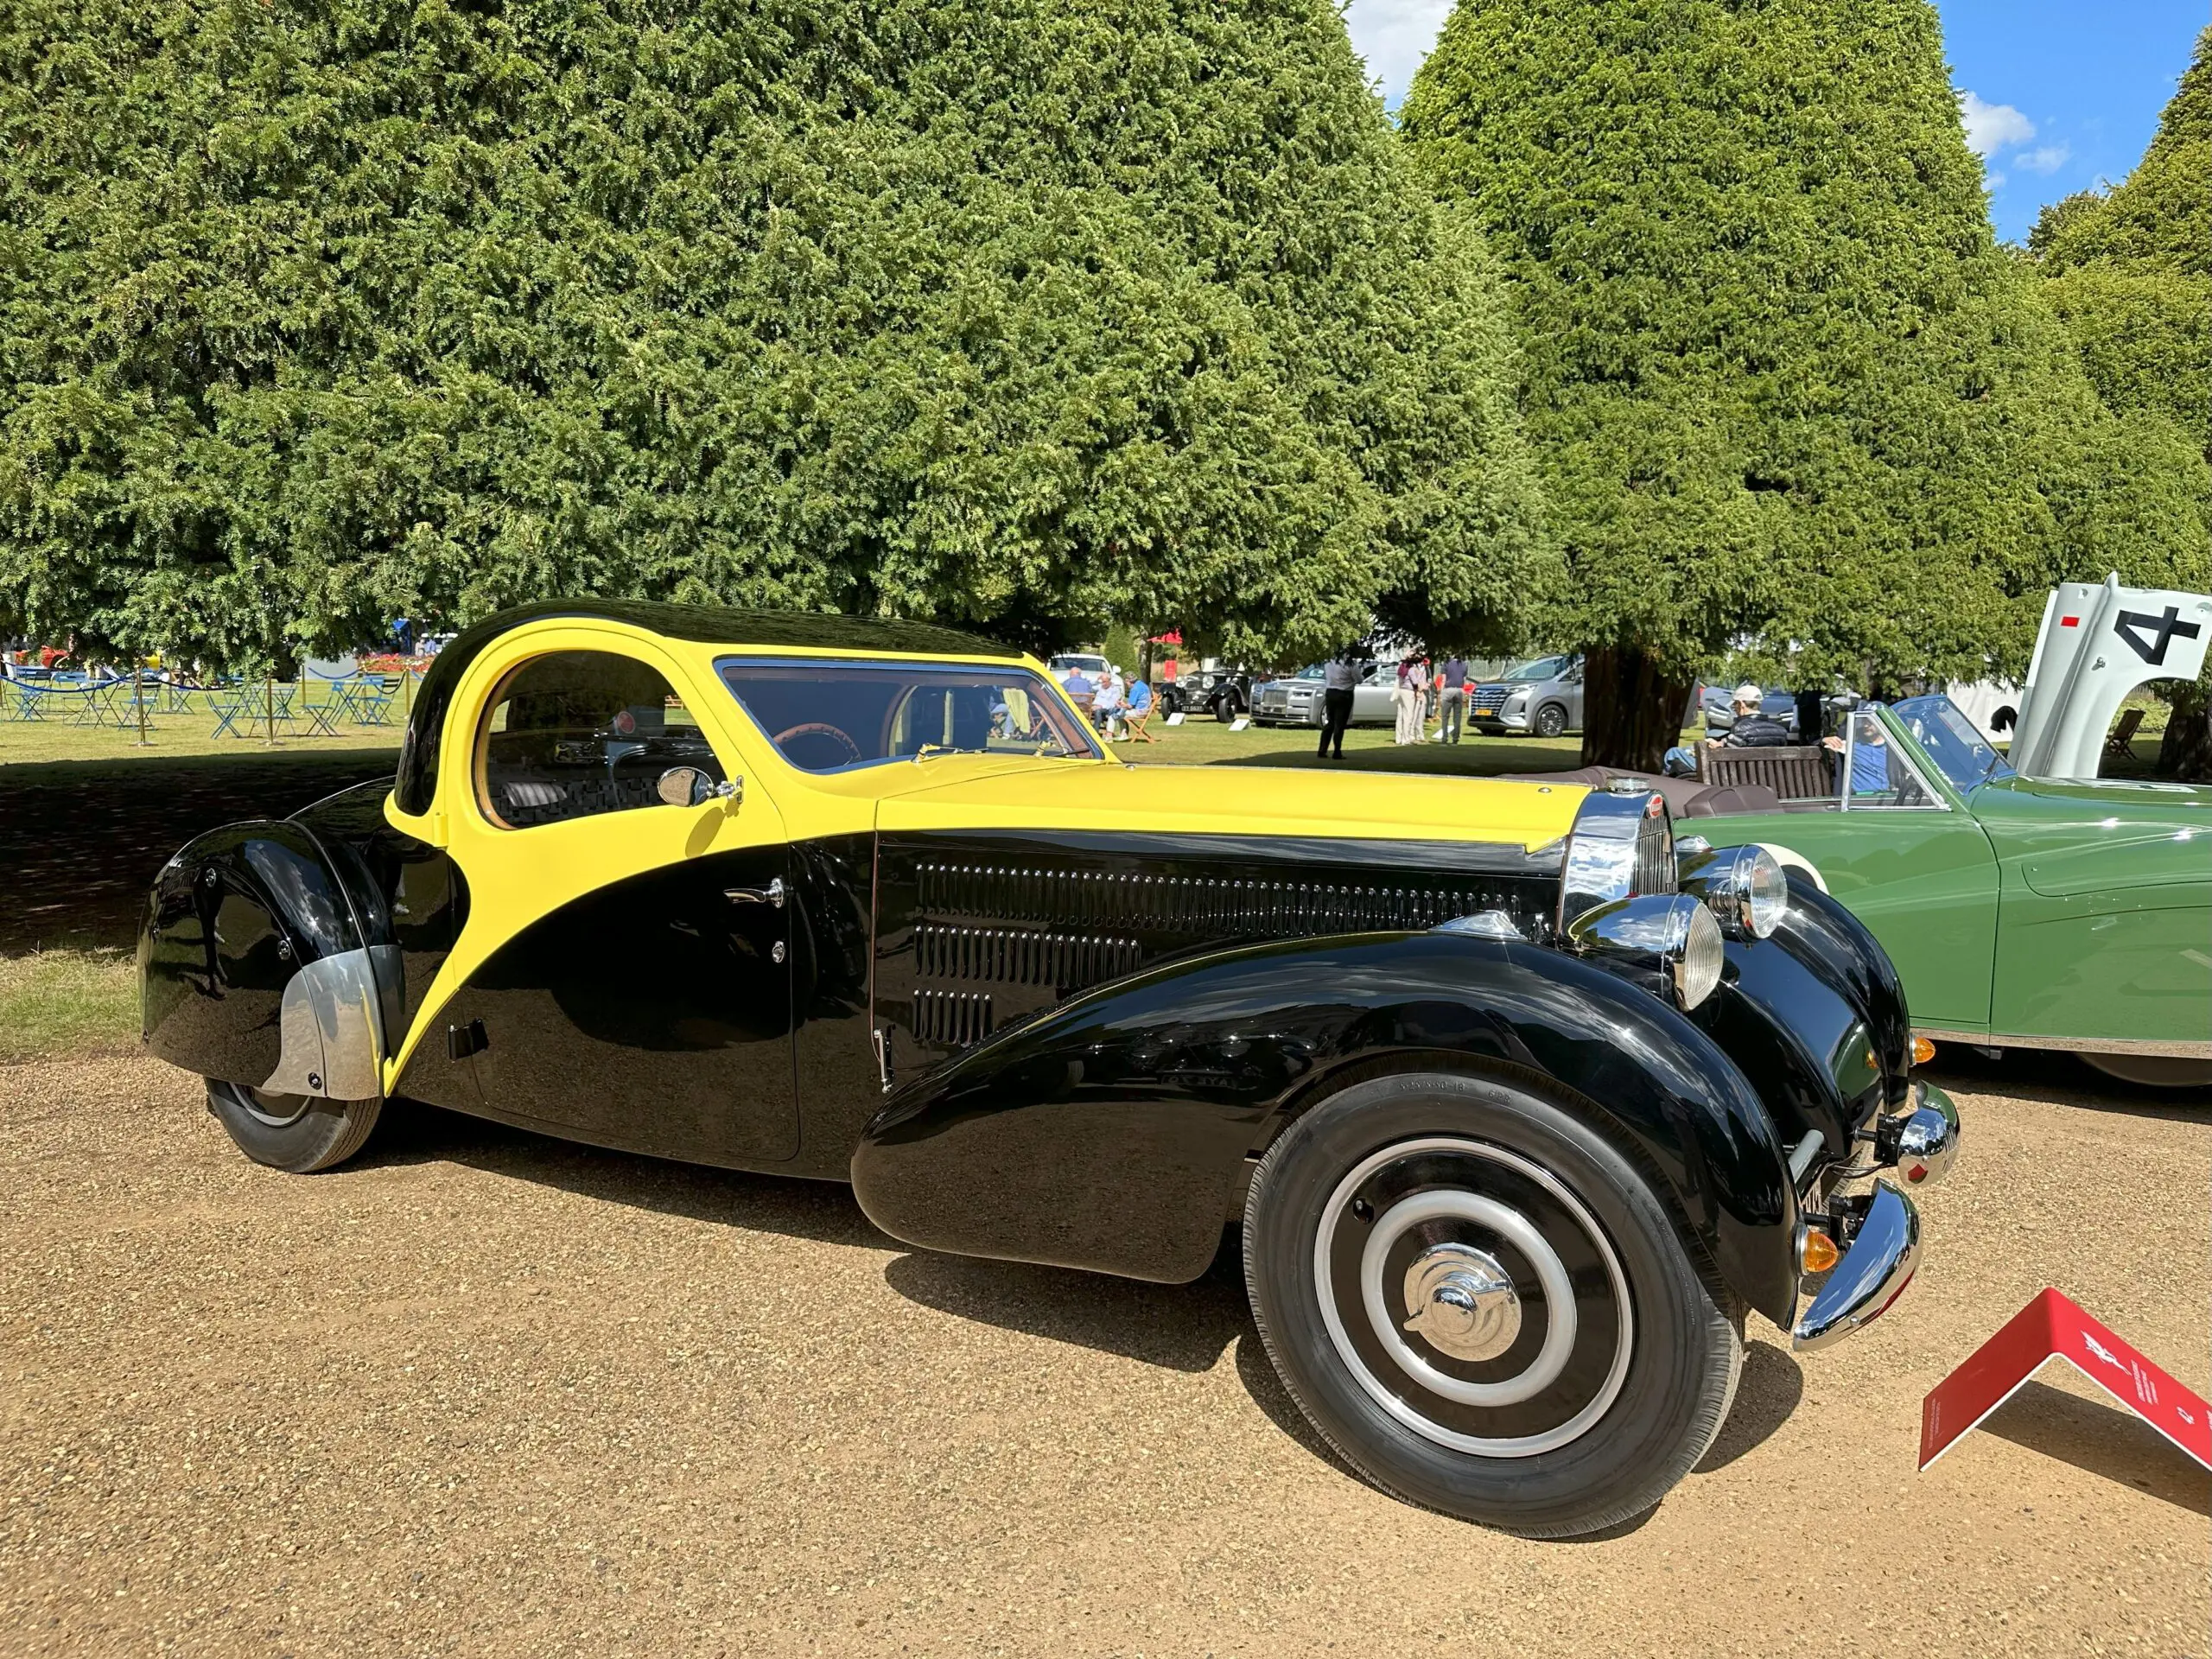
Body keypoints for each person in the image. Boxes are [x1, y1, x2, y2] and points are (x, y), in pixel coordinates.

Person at [1665, 683, 1843, 777]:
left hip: (1730, 777)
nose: (1734, 708)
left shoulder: (1741, 730)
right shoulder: (1780, 732)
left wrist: (1713, 745)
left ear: (1741, 705)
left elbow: (1722, 757)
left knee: (1674, 753)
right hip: (1765, 777)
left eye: (1735, 705)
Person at [1318, 648, 1358, 760]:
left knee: (1330, 721)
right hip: (1345, 694)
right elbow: (1359, 679)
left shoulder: (1328, 664)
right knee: (1339, 724)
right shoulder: (1351, 664)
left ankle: (1322, 749)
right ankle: (1337, 751)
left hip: (1331, 693)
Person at [1395, 658, 1427, 745]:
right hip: (1408, 692)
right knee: (1408, 716)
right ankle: (1406, 739)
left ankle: (1398, 738)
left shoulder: (1402, 669)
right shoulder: (1411, 669)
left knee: (1400, 716)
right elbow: (1415, 682)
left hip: (1401, 691)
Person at [1437, 654, 1467, 744]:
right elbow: (1464, 679)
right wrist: (1463, 690)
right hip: (1459, 690)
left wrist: (1441, 693)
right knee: (1457, 716)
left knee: (1445, 716)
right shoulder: (1464, 664)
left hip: (1448, 689)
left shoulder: (1446, 663)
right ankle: (1455, 739)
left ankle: (1444, 738)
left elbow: (1443, 679)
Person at [1091, 666, 1125, 737]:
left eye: (1104, 682)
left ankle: (1094, 734)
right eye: (1102, 681)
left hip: (1106, 709)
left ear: (1109, 681)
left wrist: (1100, 706)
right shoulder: (1100, 686)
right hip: (1094, 707)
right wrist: (1097, 680)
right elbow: (1090, 687)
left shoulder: (1115, 690)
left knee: (1098, 711)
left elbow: (1113, 704)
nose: (1103, 684)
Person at [1122, 673, 1156, 742]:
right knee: (1120, 712)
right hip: (1145, 711)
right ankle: (1123, 733)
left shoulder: (1135, 689)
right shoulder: (1143, 685)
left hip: (1139, 712)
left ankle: (1123, 734)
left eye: (1126, 682)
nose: (1126, 684)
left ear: (1129, 681)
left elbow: (1130, 706)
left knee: (1119, 713)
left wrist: (1122, 705)